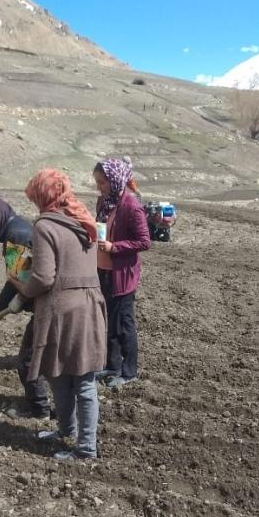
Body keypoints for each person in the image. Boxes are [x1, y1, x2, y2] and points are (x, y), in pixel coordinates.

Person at [10, 169, 106, 460]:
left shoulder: (45, 227)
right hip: (90, 307)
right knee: (65, 375)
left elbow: (43, 277)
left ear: (43, 195)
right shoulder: (84, 219)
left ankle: (86, 448)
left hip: (63, 310)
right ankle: (66, 431)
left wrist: (21, 288)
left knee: (76, 380)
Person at [0, 196, 51, 419]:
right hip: (47, 304)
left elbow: (23, 281)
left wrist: (13, 302)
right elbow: (16, 278)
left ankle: (39, 410)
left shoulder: (17, 236)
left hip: (46, 307)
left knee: (28, 362)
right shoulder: (17, 228)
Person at [94, 158, 151, 388]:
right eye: (97, 182)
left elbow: (144, 242)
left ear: (115, 180)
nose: (99, 187)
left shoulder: (131, 205)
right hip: (104, 270)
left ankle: (129, 371)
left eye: (102, 182)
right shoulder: (104, 202)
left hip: (122, 274)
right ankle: (112, 365)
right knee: (109, 320)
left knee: (124, 323)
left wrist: (114, 247)